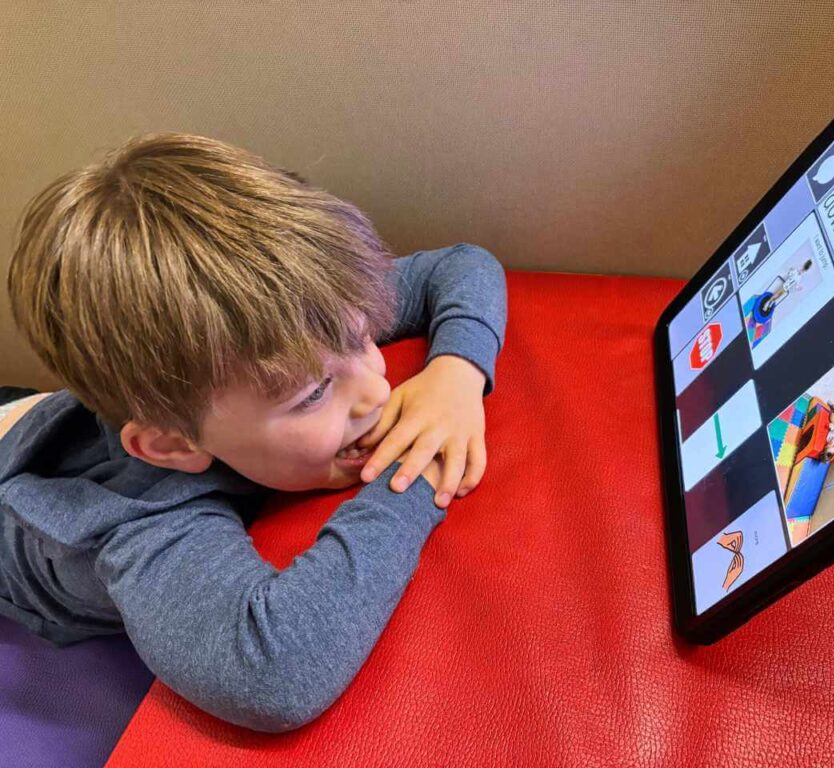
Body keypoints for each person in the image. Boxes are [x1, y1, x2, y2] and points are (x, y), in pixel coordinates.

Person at [0, 134, 507, 732]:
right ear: (174, 446)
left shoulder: (292, 328)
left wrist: (457, 373)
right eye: (314, 394)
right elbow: (271, 675)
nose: (376, 388)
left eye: (365, 336)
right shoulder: (138, 520)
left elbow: (461, 264)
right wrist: (417, 465)